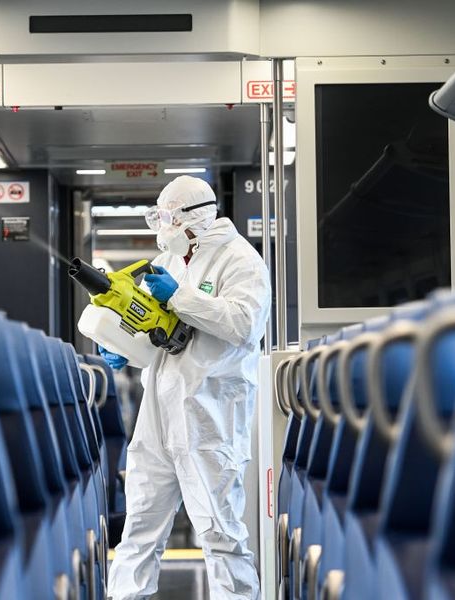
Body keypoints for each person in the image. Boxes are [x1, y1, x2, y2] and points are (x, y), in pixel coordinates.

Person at [102, 175, 271, 600]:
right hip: (159, 410)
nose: (161, 226)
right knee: (139, 525)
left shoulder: (240, 260)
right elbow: (163, 330)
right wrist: (126, 346)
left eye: (167, 217)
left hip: (210, 413)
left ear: (193, 218)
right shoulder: (175, 261)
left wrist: (180, 298)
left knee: (219, 532)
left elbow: (243, 325)